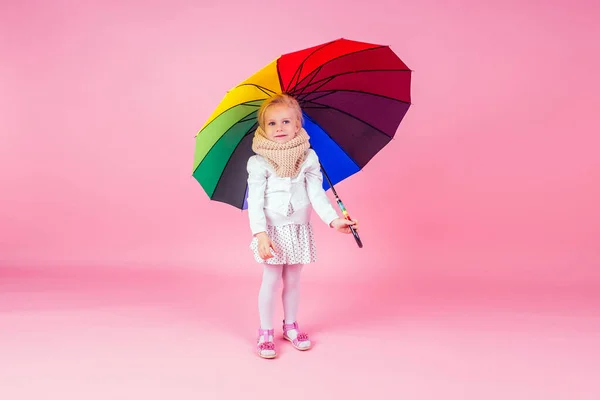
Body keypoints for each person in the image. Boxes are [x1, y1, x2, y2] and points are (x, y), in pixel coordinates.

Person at [246, 93, 359, 359]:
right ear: (263, 128)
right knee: (271, 280)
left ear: (298, 125)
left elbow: (317, 194)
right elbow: (255, 202)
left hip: (297, 229)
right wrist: (260, 234)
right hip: (271, 232)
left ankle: (291, 326)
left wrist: (334, 220)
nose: (279, 128)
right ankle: (265, 330)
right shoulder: (258, 162)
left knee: (294, 281)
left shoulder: (308, 158)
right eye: (271, 123)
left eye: (286, 121)